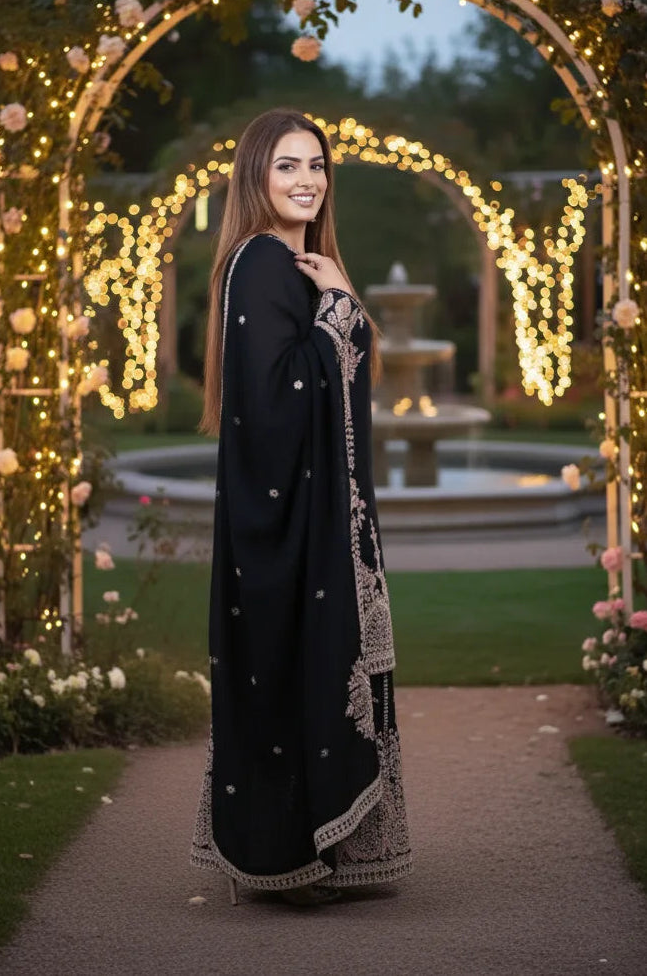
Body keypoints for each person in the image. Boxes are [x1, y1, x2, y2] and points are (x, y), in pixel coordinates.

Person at [190, 108, 411, 906]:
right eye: (287, 165)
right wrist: (343, 309)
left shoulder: (296, 264)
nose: (307, 179)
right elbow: (278, 398)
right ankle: (285, 856)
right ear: (256, 176)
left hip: (306, 516)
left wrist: (339, 301)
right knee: (289, 666)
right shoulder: (261, 263)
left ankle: (320, 848)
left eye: (316, 164)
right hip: (283, 522)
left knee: (305, 664)